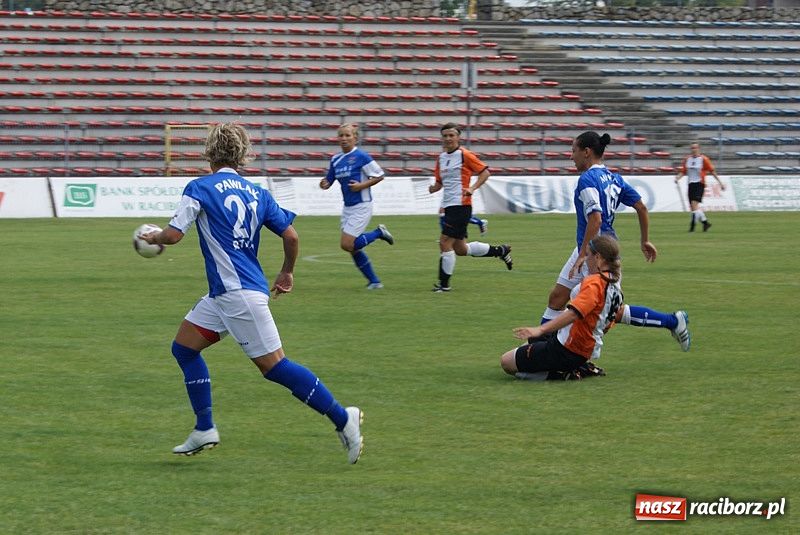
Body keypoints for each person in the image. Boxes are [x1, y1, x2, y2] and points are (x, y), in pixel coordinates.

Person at [139, 123, 363, 463]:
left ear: (209, 151)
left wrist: (152, 237)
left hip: (236, 294)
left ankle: (343, 418)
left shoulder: (200, 187)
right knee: (184, 348)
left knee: (275, 367)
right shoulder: (256, 192)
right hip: (226, 294)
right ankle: (204, 428)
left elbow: (172, 236)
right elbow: (292, 237)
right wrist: (287, 272)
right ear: (242, 154)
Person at [539, 131, 691, 351]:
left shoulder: (587, 179)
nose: (571, 156)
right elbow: (641, 207)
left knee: (610, 312)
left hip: (598, 255)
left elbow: (596, 217)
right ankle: (539, 345)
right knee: (557, 297)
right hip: (589, 249)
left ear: (587, 152)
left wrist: (583, 254)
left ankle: (673, 321)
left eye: (573, 151)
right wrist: (644, 241)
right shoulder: (614, 178)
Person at [501, 235, 623, 379]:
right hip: (579, 347)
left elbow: (574, 313)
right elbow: (608, 323)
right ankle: (577, 365)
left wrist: (540, 329)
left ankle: (568, 373)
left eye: (588, 255)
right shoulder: (615, 286)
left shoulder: (595, 283)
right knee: (525, 347)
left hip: (567, 349)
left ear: (598, 258)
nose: (585, 260)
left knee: (507, 362)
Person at [428, 122, 512, 292]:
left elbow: (485, 172)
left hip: (461, 206)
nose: (448, 138)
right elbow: (439, 183)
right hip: (449, 206)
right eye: (445, 135)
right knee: (460, 249)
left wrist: (472, 188)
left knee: (444, 242)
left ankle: (444, 286)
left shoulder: (465, 155)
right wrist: (433, 188)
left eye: (452, 135)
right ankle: (500, 250)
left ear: (458, 137)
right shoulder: (441, 158)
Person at [319, 123, 394, 289]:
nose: (344, 139)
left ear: (355, 138)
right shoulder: (336, 159)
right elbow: (329, 180)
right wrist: (324, 183)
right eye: (341, 135)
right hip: (348, 208)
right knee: (352, 248)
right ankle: (374, 282)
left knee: (347, 244)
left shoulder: (361, 156)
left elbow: (379, 175)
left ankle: (378, 232)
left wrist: (361, 186)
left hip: (362, 205)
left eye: (348, 135)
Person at [675, 142, 726, 232]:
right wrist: (678, 178)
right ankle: (705, 223)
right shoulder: (687, 159)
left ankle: (692, 227)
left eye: (695, 148)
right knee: (694, 207)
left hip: (699, 184)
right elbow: (683, 171)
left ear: (699, 149)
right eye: (692, 148)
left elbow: (712, 171)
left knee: (694, 205)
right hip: (690, 184)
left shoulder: (704, 159)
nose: (693, 150)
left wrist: (720, 182)